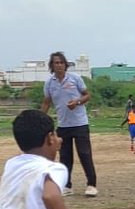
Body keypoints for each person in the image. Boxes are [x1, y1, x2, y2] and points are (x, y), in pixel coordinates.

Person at [40, 51, 98, 197]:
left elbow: (87, 95)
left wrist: (77, 102)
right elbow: (47, 102)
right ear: (52, 66)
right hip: (63, 125)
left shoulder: (75, 78)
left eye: (61, 62)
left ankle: (91, 184)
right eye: (55, 63)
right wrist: (40, 119)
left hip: (80, 123)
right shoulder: (49, 83)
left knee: (84, 154)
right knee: (65, 157)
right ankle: (67, 185)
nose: (59, 65)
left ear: (65, 65)